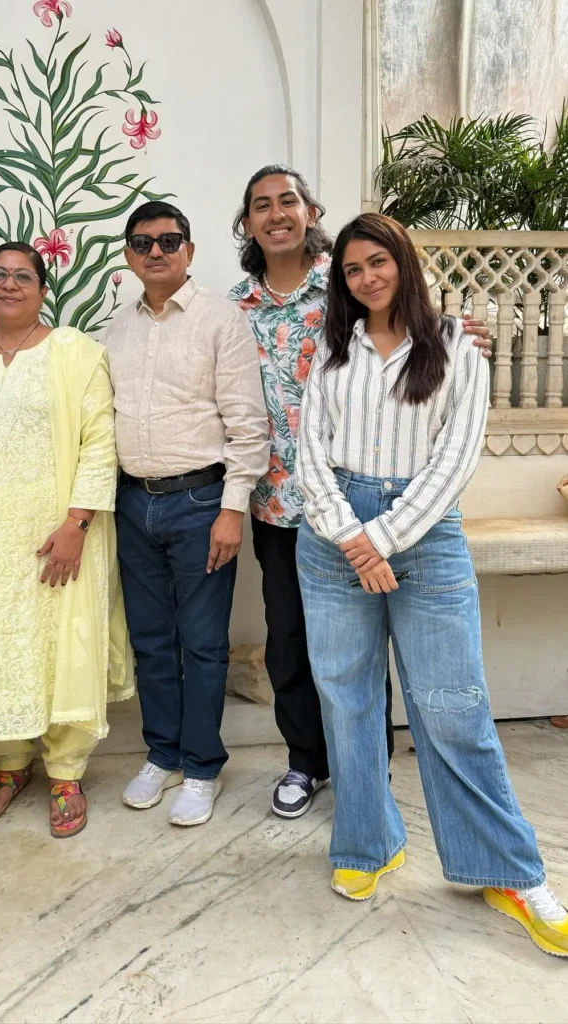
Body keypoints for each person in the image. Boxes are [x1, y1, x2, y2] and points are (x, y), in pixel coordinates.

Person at [295, 211, 568, 957]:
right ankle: (365, 845)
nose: (366, 278)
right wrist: (352, 538)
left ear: (403, 262)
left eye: (376, 262)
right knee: (347, 704)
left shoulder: (457, 349)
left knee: (451, 708)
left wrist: (380, 537)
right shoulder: (330, 352)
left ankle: (508, 872)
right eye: (351, 270)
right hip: (330, 541)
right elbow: (307, 453)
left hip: (423, 537)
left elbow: (453, 461)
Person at [229, 165, 492, 820]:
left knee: (372, 662)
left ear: (309, 211)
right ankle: (304, 763)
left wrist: (453, 330)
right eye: (260, 205)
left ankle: (365, 773)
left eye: (287, 200)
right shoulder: (234, 308)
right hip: (281, 503)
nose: (275, 213)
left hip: (370, 505)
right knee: (291, 645)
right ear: (247, 223)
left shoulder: (345, 287)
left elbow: (408, 325)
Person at [0, 242, 132, 838]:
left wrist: (77, 524)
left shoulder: (76, 353)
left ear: (42, 287)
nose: (8, 285)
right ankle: (6, 766)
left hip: (60, 532)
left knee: (61, 644)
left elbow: (99, 443)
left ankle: (66, 771)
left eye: (22, 276)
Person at [105, 201, 269, 827]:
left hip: (202, 502)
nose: (156, 251)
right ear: (129, 255)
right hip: (133, 501)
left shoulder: (220, 320)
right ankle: (162, 752)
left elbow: (248, 426)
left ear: (190, 251)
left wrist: (232, 511)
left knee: (202, 645)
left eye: (169, 241)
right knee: (150, 641)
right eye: (143, 243)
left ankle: (201, 766)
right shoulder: (118, 327)